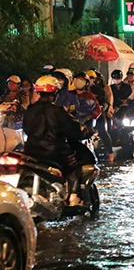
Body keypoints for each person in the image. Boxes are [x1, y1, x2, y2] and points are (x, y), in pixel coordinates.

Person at [23, 76, 94, 206]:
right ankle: (73, 197)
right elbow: (74, 131)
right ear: (55, 92)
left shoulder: (30, 110)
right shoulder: (58, 112)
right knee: (74, 165)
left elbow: (26, 129)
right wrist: (88, 132)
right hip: (55, 152)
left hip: (31, 151)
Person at [88, 70, 114, 161]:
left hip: (98, 113)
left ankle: (110, 153)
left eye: (91, 78)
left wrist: (103, 108)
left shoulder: (99, 89)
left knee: (103, 131)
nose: (90, 80)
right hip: (85, 115)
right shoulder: (79, 90)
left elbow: (105, 100)